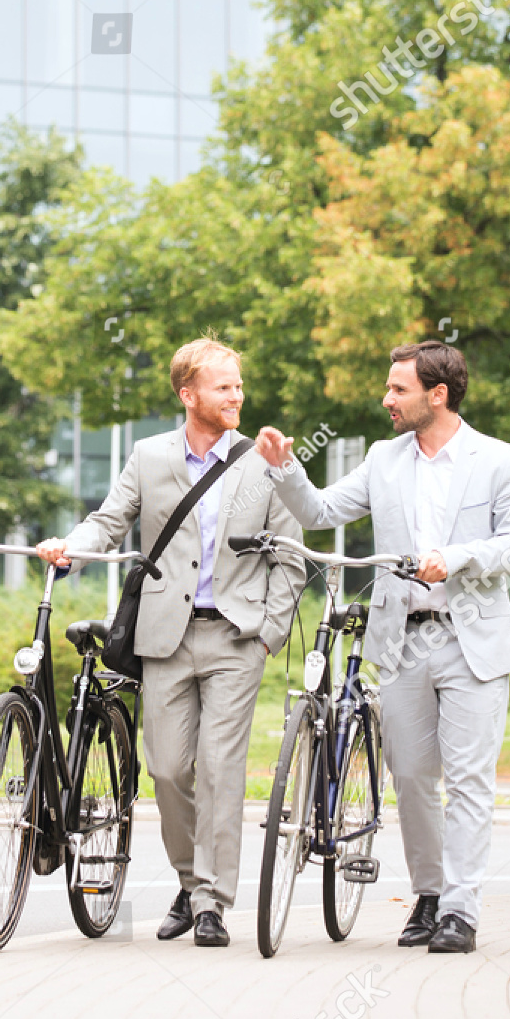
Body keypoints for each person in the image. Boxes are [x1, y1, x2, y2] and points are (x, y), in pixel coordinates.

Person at [255, 341, 510, 954]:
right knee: (410, 777)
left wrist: (455, 558)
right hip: (402, 643)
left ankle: (460, 910)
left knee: (467, 780)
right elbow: (323, 511)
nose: (386, 399)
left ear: (437, 394)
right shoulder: (384, 460)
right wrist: (284, 469)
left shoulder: (500, 461)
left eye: (398, 389)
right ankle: (429, 894)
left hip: (471, 641)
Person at [36, 338, 304, 948]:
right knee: (166, 768)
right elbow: (109, 521)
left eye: (239, 385)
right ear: (189, 395)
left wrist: (270, 631)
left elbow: (288, 556)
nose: (236, 396)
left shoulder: (266, 460)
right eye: (223, 387)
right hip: (164, 637)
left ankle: (213, 901)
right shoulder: (149, 456)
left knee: (219, 767)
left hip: (237, 636)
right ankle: (190, 882)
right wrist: (69, 549)